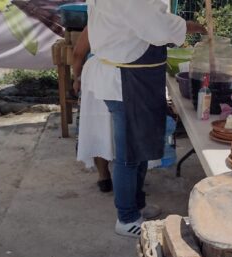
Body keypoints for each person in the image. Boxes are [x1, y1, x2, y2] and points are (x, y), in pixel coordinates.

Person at [83, 0, 206, 238]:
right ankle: (126, 217)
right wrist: (193, 26)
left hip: (135, 77)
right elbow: (158, 28)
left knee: (138, 149)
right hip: (126, 80)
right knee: (129, 154)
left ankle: (136, 205)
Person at [72, 26, 113, 193]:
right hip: (124, 75)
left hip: (95, 75)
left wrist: (77, 78)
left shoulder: (97, 19)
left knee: (97, 127)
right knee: (120, 128)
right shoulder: (132, 16)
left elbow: (77, 54)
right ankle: (128, 177)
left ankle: (104, 177)